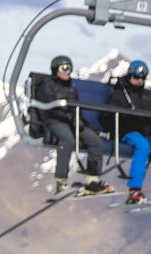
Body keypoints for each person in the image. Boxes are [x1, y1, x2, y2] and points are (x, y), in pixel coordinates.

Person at [32, 54, 107, 193]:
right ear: (56, 69)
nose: (67, 72)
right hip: (53, 120)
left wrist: (83, 123)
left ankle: (93, 179)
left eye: (69, 69)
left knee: (95, 141)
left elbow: (75, 108)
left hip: (71, 120)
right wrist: (69, 117)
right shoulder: (47, 84)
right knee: (67, 139)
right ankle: (61, 180)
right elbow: (49, 106)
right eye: (64, 68)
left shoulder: (71, 88)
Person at [108, 59, 151, 204]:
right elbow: (109, 115)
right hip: (128, 131)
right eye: (136, 78)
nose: (139, 81)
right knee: (143, 146)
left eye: (142, 78)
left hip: (148, 132)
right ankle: (134, 189)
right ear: (130, 76)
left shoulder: (148, 96)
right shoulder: (120, 94)